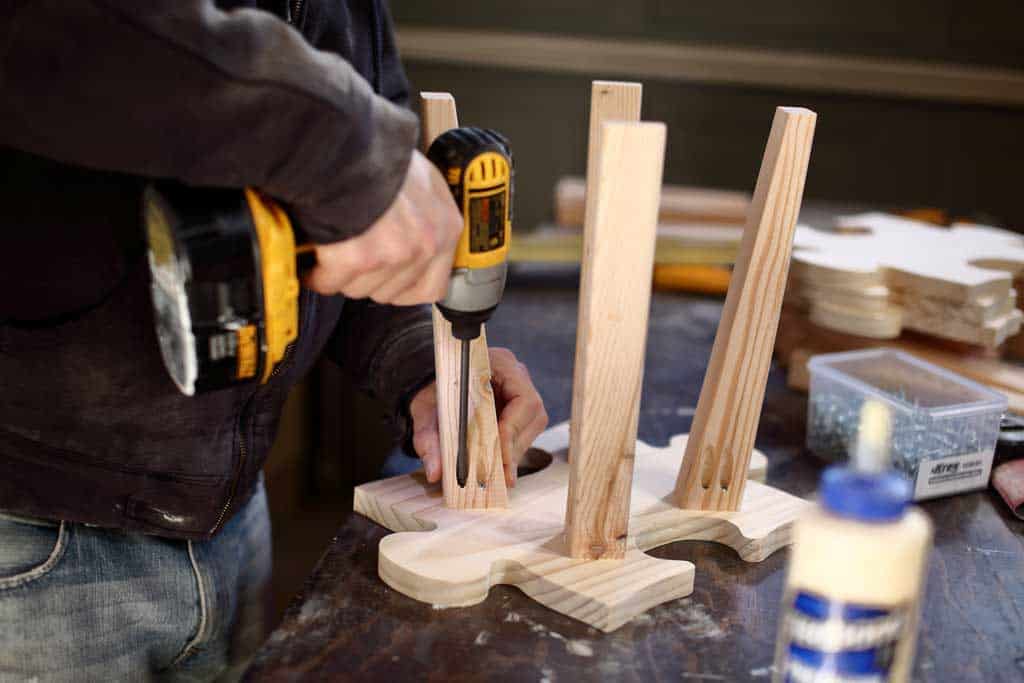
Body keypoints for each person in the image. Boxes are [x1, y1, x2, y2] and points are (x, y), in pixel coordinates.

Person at [0, 2, 548, 680]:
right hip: (33, 537)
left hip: (225, 509)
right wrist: (347, 149)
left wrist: (420, 361)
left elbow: (348, 228)